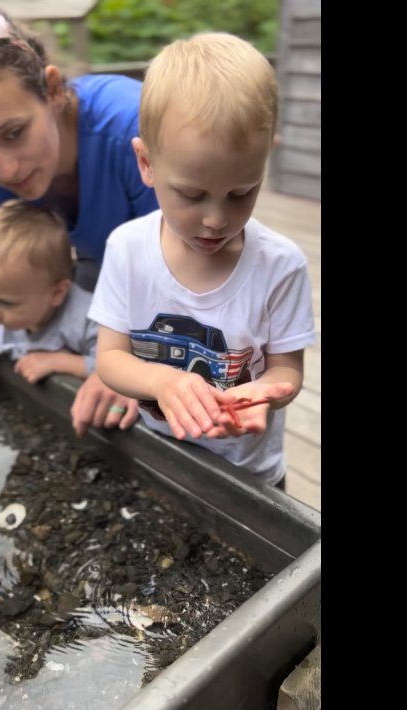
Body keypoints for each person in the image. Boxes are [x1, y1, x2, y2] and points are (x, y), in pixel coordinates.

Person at [0, 0, 155, 434]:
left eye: (14, 133)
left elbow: (189, 269)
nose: (5, 172)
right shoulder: (0, 161)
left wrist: (127, 363)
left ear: (52, 89)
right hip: (93, 270)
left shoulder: (132, 129)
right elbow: (33, 260)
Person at [88, 33, 316, 487]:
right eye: (192, 194)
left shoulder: (281, 265)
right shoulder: (127, 248)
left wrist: (261, 394)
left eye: (241, 192)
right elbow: (110, 358)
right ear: (146, 163)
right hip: (163, 454)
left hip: (250, 475)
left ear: (264, 159)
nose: (216, 220)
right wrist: (161, 383)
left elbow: (287, 368)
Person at [0, 200, 139, 432]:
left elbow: (118, 364)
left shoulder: (88, 318)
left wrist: (60, 362)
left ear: (57, 293)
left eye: (4, 302)